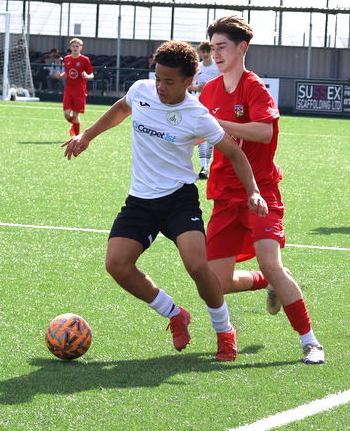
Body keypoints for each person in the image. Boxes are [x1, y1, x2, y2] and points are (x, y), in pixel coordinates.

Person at [62, 40, 268, 362]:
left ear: (189, 82)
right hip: (141, 200)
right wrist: (86, 135)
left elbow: (235, 153)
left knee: (198, 266)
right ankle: (175, 314)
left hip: (178, 200)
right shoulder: (142, 91)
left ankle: (224, 330)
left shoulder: (197, 115)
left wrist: (253, 190)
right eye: (158, 78)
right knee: (116, 265)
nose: (160, 87)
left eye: (169, 82)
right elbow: (121, 109)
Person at [199, 15, 325, 365]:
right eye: (212, 47)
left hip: (261, 192)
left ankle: (309, 341)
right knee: (217, 282)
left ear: (242, 48)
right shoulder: (209, 90)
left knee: (272, 262)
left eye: (222, 46)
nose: (216, 53)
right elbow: (199, 131)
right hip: (224, 194)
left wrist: (214, 123)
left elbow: (264, 132)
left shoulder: (254, 88)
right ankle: (264, 283)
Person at [189, 41, 220, 179]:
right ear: (200, 53)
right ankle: (204, 167)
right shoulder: (197, 68)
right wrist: (196, 89)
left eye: (208, 51)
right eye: (203, 51)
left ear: (212, 52)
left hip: (215, 103)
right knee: (202, 135)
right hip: (200, 104)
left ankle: (208, 165)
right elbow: (189, 84)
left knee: (212, 135)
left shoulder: (218, 67)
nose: (206, 54)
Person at [56, 38, 94, 136]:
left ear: (81, 48)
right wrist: (61, 76)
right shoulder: (67, 59)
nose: (75, 48)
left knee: (76, 115)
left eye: (77, 46)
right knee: (66, 114)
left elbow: (91, 74)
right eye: (73, 46)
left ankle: (77, 137)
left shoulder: (85, 60)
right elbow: (68, 73)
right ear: (70, 48)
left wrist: (87, 76)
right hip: (68, 91)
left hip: (80, 92)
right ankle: (75, 125)